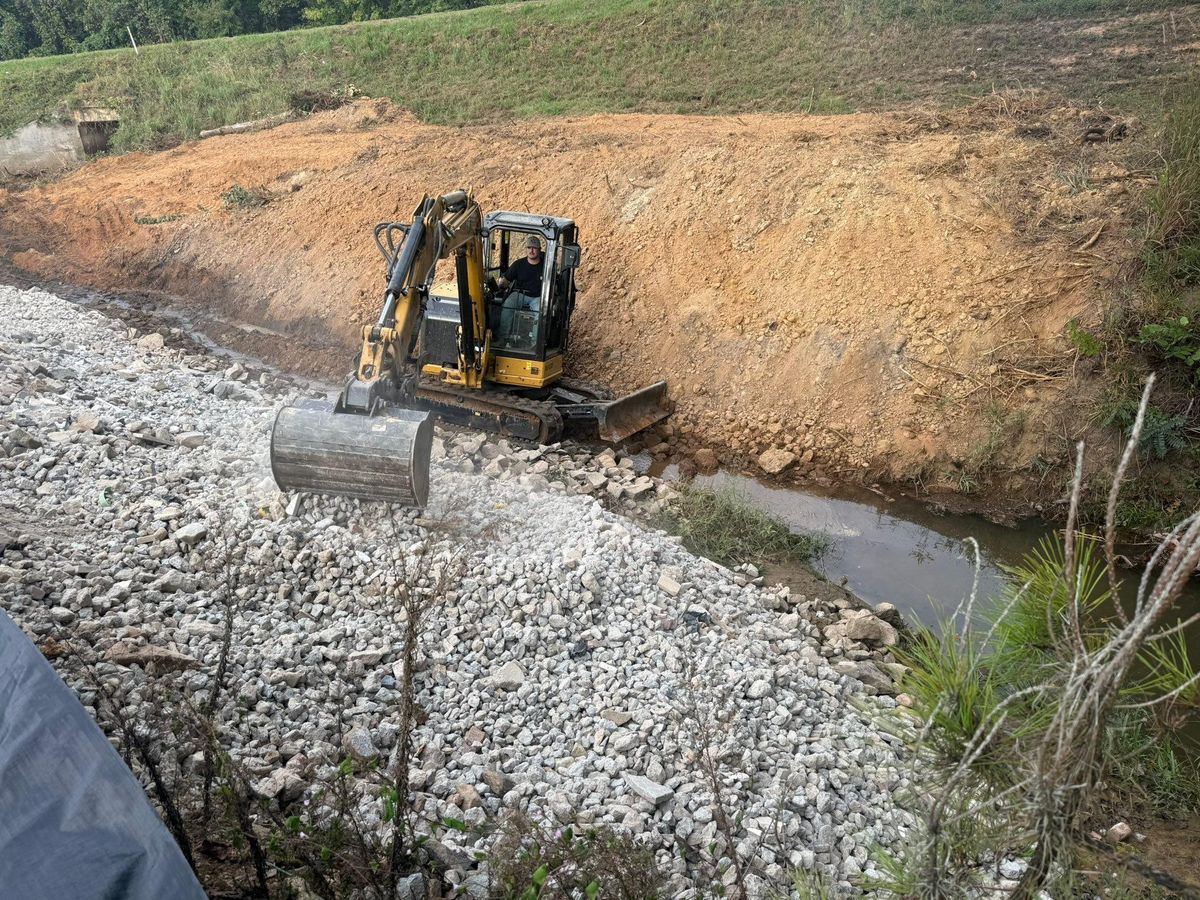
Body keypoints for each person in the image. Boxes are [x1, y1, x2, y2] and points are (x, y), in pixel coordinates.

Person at [497, 235, 545, 347]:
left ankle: (534, 344)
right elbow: (506, 280)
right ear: (526, 249)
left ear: (539, 250)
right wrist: (502, 283)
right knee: (507, 305)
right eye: (529, 247)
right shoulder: (518, 264)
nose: (531, 250)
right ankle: (503, 338)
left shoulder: (545, 266)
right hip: (519, 294)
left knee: (541, 312)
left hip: (537, 297)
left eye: (534, 248)